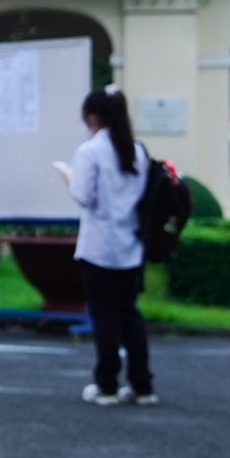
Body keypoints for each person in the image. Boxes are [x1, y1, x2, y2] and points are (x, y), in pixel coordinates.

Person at [65, 88, 156, 407]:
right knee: (129, 315)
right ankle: (142, 386)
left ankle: (107, 385)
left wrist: (69, 178)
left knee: (105, 317)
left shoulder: (90, 151)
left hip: (99, 247)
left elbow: (83, 196)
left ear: (92, 118)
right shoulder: (136, 150)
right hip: (131, 245)